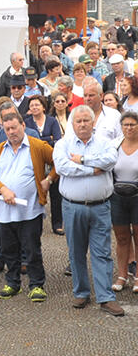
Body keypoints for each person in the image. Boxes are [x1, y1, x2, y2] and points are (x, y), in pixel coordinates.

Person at [52, 106, 124, 315]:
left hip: (101, 206)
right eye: (78, 121)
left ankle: (106, 297)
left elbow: (110, 161)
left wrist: (83, 160)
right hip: (72, 206)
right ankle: (81, 292)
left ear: (93, 123)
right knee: (76, 252)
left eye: (86, 120)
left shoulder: (105, 143)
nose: (82, 124)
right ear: (72, 124)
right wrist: (94, 170)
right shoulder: (62, 144)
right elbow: (63, 167)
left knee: (102, 253)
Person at [0, 110, 56, 303]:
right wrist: (2, 190)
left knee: (32, 249)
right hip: (5, 211)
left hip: (30, 210)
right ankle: (13, 283)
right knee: (9, 249)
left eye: (14, 127)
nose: (11, 132)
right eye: (7, 129)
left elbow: (58, 161)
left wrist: (49, 179)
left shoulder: (37, 146)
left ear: (23, 126)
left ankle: (36, 285)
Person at [111, 111, 138, 295]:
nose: (129, 128)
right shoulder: (114, 145)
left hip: (137, 196)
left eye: (132, 125)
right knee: (121, 238)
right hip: (117, 196)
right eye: (126, 125)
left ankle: (137, 276)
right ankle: (122, 275)